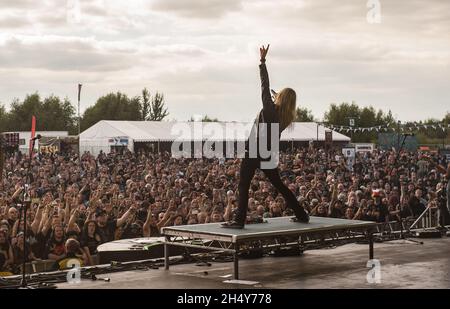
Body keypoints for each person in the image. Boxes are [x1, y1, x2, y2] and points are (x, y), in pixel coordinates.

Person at [222, 44, 309, 229]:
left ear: (280, 98)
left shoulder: (270, 110)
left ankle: (239, 220)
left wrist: (262, 62)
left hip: (254, 150)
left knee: (244, 185)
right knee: (279, 185)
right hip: (269, 153)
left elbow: (265, 86)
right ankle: (301, 214)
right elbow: (272, 94)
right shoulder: (286, 116)